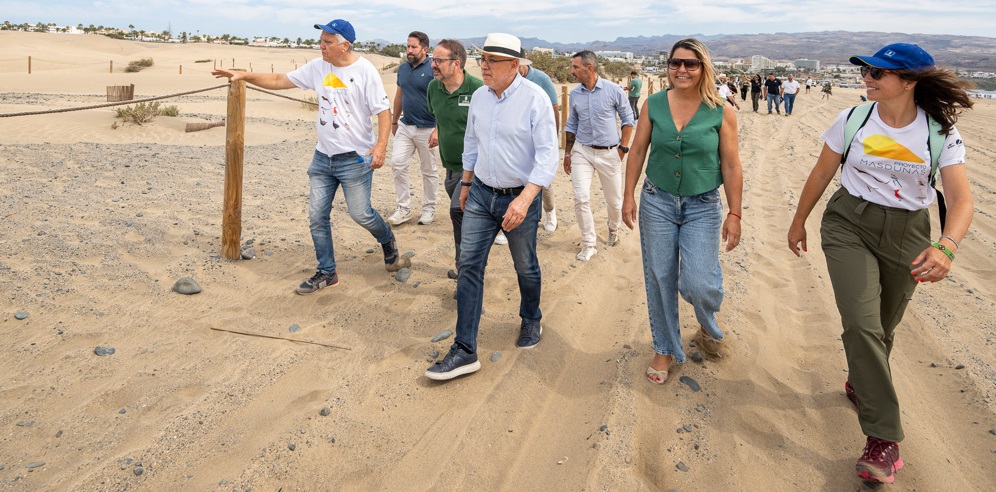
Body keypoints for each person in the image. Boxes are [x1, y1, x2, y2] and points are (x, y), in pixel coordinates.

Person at [787, 43, 973, 485]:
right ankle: (882, 439)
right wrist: (799, 221)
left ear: (909, 82)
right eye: (867, 70)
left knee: (883, 326)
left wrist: (946, 246)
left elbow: (963, 199)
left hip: (909, 233)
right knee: (862, 323)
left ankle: (862, 382)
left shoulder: (940, 132)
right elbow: (821, 173)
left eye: (879, 73)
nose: (867, 78)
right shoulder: (851, 120)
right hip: (849, 223)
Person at [212, 19, 411, 294]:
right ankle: (327, 272)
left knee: (361, 214)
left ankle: (387, 239)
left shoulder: (365, 71)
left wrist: (380, 147)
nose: (322, 46)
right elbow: (280, 79)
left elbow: (383, 111)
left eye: (328, 42)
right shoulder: (318, 67)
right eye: (321, 41)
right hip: (322, 158)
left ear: (345, 45)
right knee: (317, 217)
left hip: (355, 158)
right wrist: (246, 75)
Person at [425, 33, 558, 380]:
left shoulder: (536, 100)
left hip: (520, 196)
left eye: (491, 61)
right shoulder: (480, 98)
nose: (483, 66)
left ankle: (531, 318)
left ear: (514, 65)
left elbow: (547, 158)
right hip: (482, 192)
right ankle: (465, 349)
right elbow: (472, 141)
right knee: (469, 264)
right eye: (482, 59)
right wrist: (466, 182)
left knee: (525, 265)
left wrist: (526, 200)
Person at [621, 38, 743, 384]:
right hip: (656, 200)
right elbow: (639, 150)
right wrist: (628, 195)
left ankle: (706, 325)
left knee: (698, 282)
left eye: (690, 63)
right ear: (668, 66)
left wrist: (735, 213)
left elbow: (732, 166)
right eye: (676, 63)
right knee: (659, 276)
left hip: (702, 205)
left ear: (703, 67)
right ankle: (665, 347)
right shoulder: (653, 104)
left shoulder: (722, 110)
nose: (682, 70)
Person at [564, 50, 635, 261]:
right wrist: (568, 153)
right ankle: (589, 243)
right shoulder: (575, 94)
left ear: (590, 68)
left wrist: (622, 149)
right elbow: (571, 124)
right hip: (582, 151)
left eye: (575, 67)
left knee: (614, 201)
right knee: (581, 197)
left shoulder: (614, 91)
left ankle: (613, 229)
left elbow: (628, 120)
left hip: (610, 153)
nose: (572, 71)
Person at [426, 39, 484, 281]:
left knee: (458, 216)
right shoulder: (433, 88)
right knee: (466, 225)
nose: (433, 65)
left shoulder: (479, 90)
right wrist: (438, 130)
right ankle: (467, 268)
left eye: (439, 60)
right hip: (449, 169)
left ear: (457, 63)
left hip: (474, 171)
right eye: (432, 59)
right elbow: (440, 117)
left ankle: (468, 275)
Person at [387, 31, 439, 226]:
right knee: (397, 164)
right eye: (408, 46)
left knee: (429, 171)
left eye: (414, 47)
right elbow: (399, 95)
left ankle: (429, 208)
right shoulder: (402, 69)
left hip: (428, 128)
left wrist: (438, 129)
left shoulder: (434, 68)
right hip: (406, 125)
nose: (409, 50)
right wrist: (394, 121)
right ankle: (403, 208)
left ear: (424, 49)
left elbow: (441, 98)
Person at [518, 49, 562, 234]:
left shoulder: (542, 79)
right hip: (519, 139)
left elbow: (554, 108)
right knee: (518, 179)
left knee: (543, 181)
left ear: (525, 61)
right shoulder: (508, 80)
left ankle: (550, 212)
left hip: (539, 137)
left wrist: (554, 139)